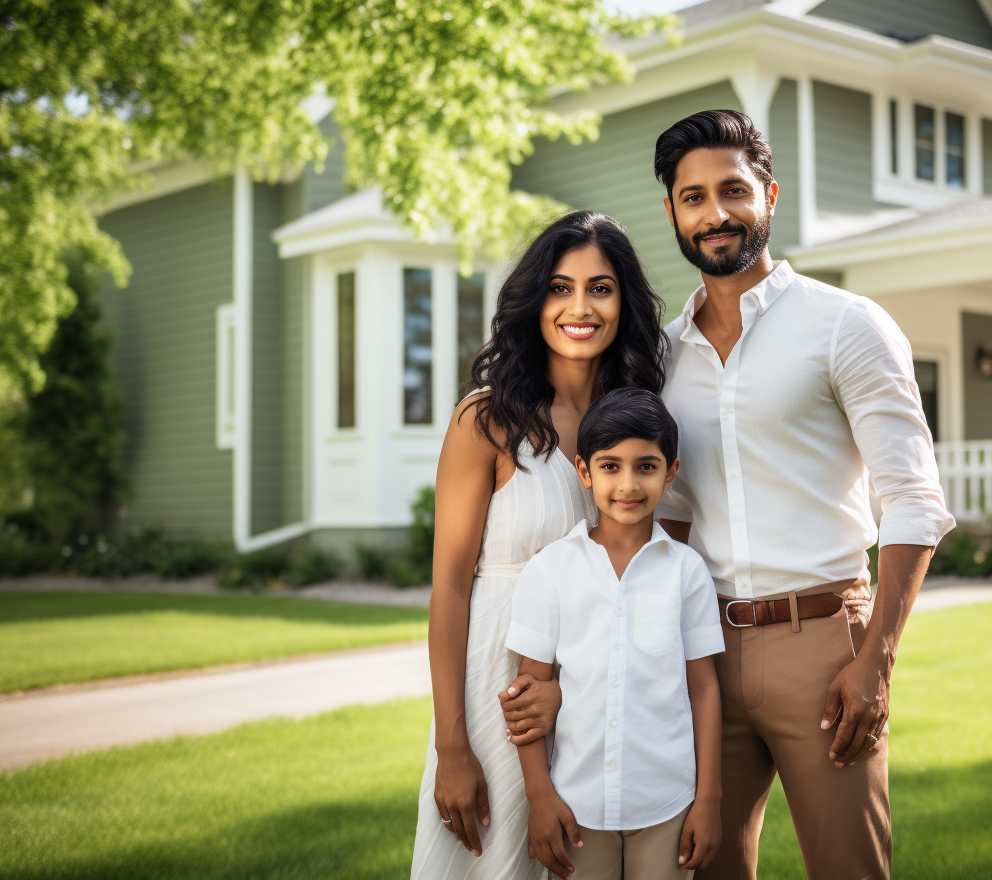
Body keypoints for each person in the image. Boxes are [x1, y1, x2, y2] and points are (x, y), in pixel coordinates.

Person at [650, 109, 956, 879]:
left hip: (823, 647)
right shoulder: (662, 355)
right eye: (693, 198)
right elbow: (675, 513)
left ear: (770, 195)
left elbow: (914, 499)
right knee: (699, 867)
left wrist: (876, 657)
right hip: (705, 651)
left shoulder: (845, 325)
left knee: (848, 869)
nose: (715, 214)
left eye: (733, 191)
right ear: (672, 213)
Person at [409, 211, 669, 880]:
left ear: (624, 301)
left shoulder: (639, 425)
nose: (580, 307)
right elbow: (450, 587)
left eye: (601, 288)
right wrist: (451, 746)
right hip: (497, 688)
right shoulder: (487, 419)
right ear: (536, 300)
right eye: (560, 287)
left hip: (600, 685)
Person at [506, 388, 725, 879]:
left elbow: (704, 687)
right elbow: (527, 695)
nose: (628, 483)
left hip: (667, 801)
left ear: (671, 472)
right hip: (576, 803)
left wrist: (708, 799)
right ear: (584, 471)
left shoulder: (686, 572)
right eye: (610, 466)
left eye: (646, 466)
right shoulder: (550, 571)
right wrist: (539, 797)